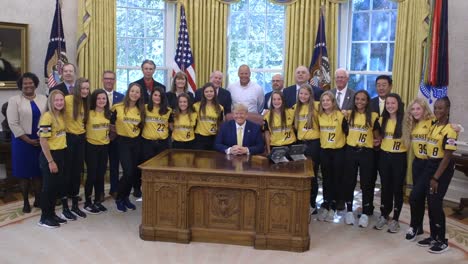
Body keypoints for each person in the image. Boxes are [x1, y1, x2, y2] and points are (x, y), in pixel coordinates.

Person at [416, 97, 457, 254]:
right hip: (430, 165)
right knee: (429, 201)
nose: (438, 111)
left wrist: (435, 178)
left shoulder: (451, 129)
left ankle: (442, 240)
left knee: (435, 203)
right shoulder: (434, 125)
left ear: (448, 110)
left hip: (442, 169)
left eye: (441, 108)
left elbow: (447, 156)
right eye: (436, 108)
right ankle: (433, 236)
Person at [7, 72, 47, 213]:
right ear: (21, 85)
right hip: (22, 141)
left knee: (38, 171)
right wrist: (28, 140)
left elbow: (48, 118)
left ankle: (38, 199)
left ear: (35, 84)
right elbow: (13, 123)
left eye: (31, 83)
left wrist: (43, 137)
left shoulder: (43, 99)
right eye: (25, 83)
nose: (28, 85)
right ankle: (25, 201)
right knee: (24, 173)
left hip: (40, 139)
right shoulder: (14, 100)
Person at [342, 90, 380, 228]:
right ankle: (349, 211)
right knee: (349, 182)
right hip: (351, 151)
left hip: (366, 152)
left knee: (366, 183)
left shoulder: (374, 116)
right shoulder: (348, 115)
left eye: (363, 99)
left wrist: (376, 142)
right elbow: (344, 131)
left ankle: (365, 212)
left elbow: (377, 137)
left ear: (367, 101)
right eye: (357, 99)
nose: (359, 101)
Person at [374, 93, 407, 233]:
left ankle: (396, 219)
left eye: (393, 103)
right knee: (385, 187)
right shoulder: (381, 120)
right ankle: (384, 214)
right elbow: (378, 137)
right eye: (388, 103)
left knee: (397, 188)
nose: (390, 106)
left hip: (399, 157)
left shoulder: (406, 121)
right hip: (384, 156)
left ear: (398, 104)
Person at [402, 98, 434, 240]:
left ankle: (414, 226)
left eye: (418, 109)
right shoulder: (413, 125)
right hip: (417, 164)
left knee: (415, 196)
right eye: (413, 109)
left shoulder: (432, 123)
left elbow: (446, 128)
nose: (415, 112)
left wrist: (456, 127)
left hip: (430, 164)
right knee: (418, 198)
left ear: (424, 109)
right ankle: (418, 227)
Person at [111, 83, 145, 212]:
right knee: (128, 172)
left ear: (140, 95)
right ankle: (119, 198)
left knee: (133, 173)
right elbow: (109, 123)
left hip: (136, 143)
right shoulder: (117, 107)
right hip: (122, 142)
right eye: (132, 91)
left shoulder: (141, 110)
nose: (134, 94)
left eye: (137, 92)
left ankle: (125, 198)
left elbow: (142, 127)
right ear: (128, 92)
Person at [37, 90, 67, 228]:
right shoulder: (47, 117)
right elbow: (43, 140)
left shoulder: (60, 115)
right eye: (56, 100)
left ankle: (52, 213)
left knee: (55, 187)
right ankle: (44, 217)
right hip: (50, 156)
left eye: (61, 100)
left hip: (61, 154)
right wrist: (50, 161)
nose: (59, 102)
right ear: (51, 102)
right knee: (48, 188)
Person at [61, 77, 90, 221]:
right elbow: (54, 113)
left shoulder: (85, 103)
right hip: (68, 139)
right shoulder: (67, 99)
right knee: (67, 173)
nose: (85, 91)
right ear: (77, 88)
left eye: (87, 88)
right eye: (83, 88)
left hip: (81, 139)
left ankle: (74, 206)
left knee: (77, 173)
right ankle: (65, 207)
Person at [317, 91, 348, 223]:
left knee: (337, 178)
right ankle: (326, 202)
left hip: (338, 151)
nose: (325, 103)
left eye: (328, 100)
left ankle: (334, 205)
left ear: (333, 102)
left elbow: (347, 132)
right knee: (326, 179)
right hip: (324, 151)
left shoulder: (341, 116)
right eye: (323, 101)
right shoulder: (319, 116)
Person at [292, 84, 320, 214]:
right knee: (300, 173)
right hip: (300, 144)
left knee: (312, 174)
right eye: (301, 94)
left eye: (305, 94)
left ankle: (312, 203)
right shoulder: (295, 108)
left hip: (313, 144)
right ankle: (301, 201)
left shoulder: (317, 106)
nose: (303, 96)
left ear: (310, 95)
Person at [83, 89, 111, 214]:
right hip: (91, 147)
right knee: (92, 175)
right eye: (99, 98)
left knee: (101, 175)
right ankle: (87, 202)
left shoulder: (108, 113)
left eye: (104, 98)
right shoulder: (88, 114)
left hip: (104, 147)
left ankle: (97, 201)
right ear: (94, 100)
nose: (101, 101)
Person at [102, 70, 124, 198]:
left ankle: (114, 189)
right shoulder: (96, 95)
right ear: (102, 80)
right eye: (106, 78)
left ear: (114, 81)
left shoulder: (121, 97)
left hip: (116, 137)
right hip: (100, 136)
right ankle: (99, 191)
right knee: (101, 166)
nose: (109, 81)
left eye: (111, 79)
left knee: (115, 164)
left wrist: (115, 131)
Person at [141, 87, 172, 162]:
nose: (157, 97)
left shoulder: (168, 110)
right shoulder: (144, 108)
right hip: (147, 143)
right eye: (155, 95)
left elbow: (171, 126)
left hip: (163, 143)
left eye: (160, 96)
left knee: (162, 167)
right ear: (151, 96)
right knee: (147, 166)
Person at [194, 82, 224, 150]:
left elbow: (220, 123)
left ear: (214, 93)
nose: (209, 93)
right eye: (206, 91)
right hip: (199, 138)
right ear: (203, 93)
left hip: (213, 137)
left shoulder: (220, 108)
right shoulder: (196, 106)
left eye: (211, 91)